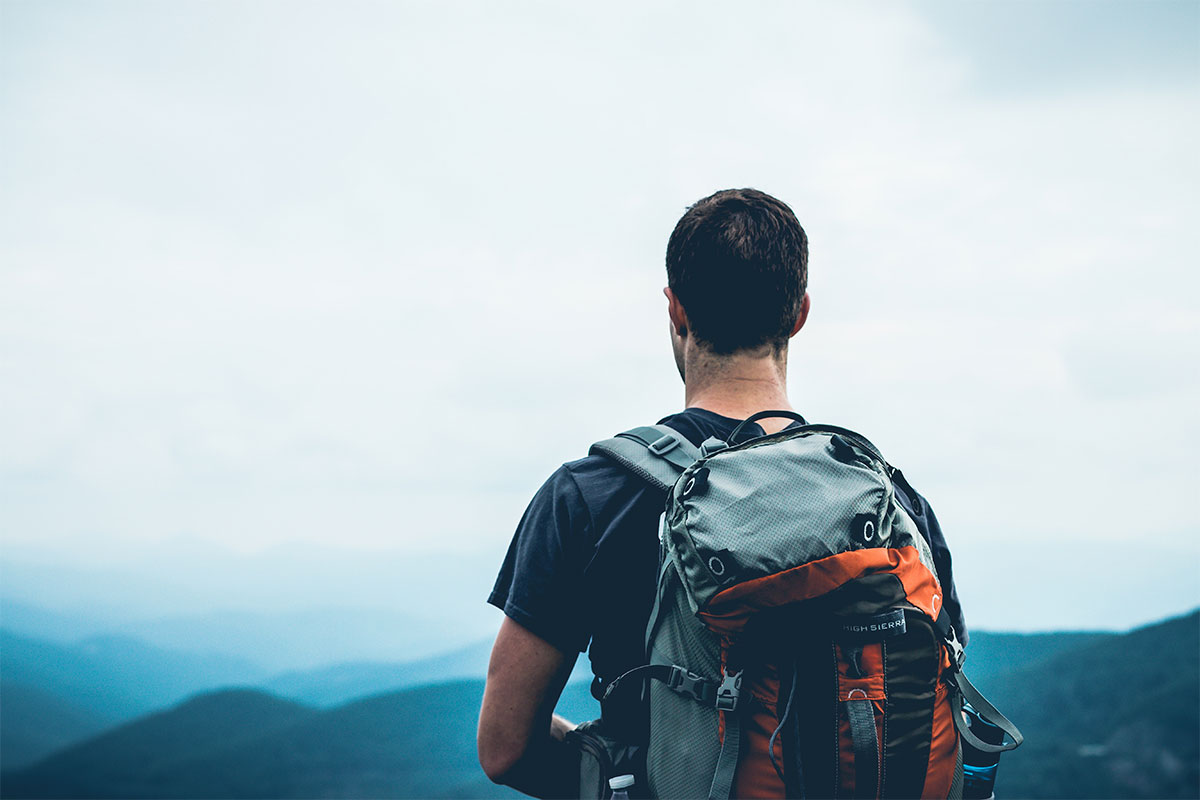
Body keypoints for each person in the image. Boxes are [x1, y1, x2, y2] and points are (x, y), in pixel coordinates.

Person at [477, 188, 966, 798]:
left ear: (675, 309)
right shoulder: (891, 500)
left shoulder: (588, 497)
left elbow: (506, 749)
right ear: (799, 313)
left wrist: (622, 774)